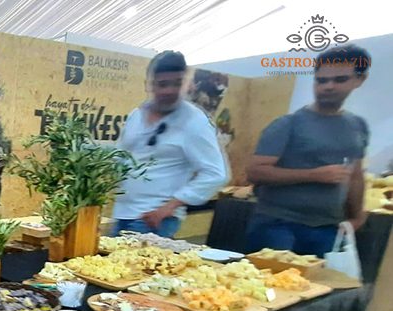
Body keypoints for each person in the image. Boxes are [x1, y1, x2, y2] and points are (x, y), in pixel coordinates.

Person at [246, 45, 371, 256]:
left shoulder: (357, 126)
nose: (328, 86)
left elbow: (355, 175)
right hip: (277, 223)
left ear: (359, 80)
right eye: (321, 80)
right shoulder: (288, 124)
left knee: (323, 278)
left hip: (328, 227)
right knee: (273, 277)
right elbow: (255, 172)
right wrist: (314, 175)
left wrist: (357, 216)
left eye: (340, 80)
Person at [112, 50, 228, 237]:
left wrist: (169, 207)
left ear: (186, 84)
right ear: (149, 84)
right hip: (123, 214)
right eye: (162, 84)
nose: (169, 91)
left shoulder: (194, 121)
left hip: (154, 219)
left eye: (177, 83)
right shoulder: (137, 115)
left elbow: (215, 174)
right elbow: (121, 156)